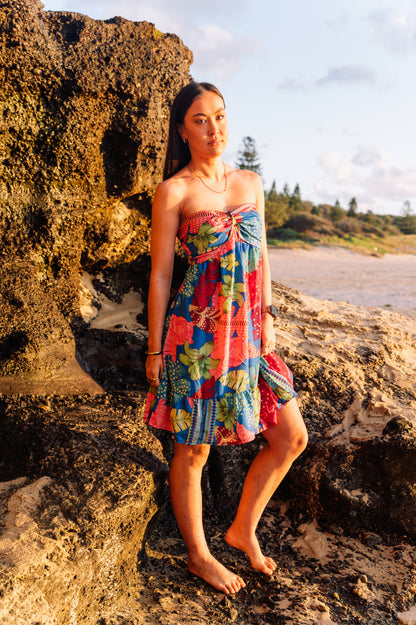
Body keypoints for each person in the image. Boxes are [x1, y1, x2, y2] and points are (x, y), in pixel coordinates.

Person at [144, 81, 308, 595]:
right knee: (193, 452)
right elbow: (161, 276)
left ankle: (241, 530)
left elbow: (262, 259)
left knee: (290, 437)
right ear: (182, 130)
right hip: (196, 341)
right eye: (200, 119)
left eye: (219, 116)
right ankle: (199, 555)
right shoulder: (175, 191)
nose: (213, 128)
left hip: (253, 336)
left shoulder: (250, 183)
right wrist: (154, 349)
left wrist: (270, 313)